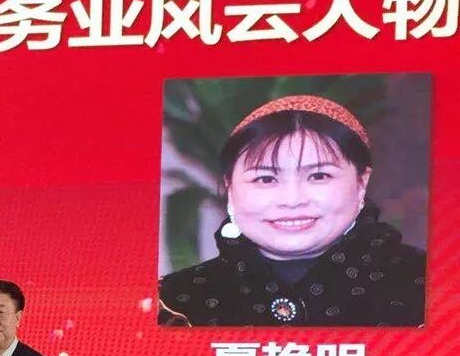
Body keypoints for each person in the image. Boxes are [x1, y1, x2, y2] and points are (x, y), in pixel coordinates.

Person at [159, 94, 426, 327]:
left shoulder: (428, 284)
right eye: (265, 179)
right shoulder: (173, 300)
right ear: (230, 187)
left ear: (361, 182)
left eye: (319, 176)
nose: (292, 200)